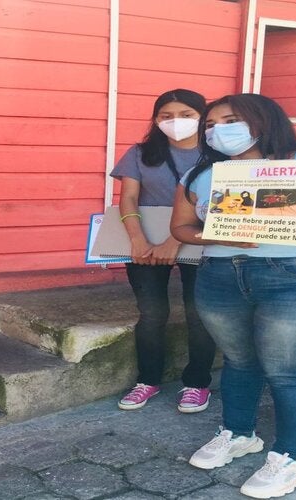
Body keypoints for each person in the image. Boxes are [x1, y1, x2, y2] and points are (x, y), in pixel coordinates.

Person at [171, 93, 296, 499]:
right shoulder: (201, 174)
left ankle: (294, 457)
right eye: (210, 124)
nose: (217, 131)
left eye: (229, 120)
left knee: (287, 370)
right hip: (219, 276)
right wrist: (219, 233)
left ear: (262, 121)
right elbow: (181, 229)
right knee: (238, 361)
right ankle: (238, 433)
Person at [110, 89, 216, 413]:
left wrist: (176, 239)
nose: (175, 122)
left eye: (186, 114)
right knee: (152, 314)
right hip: (145, 240)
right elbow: (128, 198)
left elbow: (223, 206)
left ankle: (197, 384)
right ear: (156, 120)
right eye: (166, 116)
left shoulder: (218, 156)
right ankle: (147, 380)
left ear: (202, 118)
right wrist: (137, 240)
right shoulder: (141, 153)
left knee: (199, 315)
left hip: (198, 239)